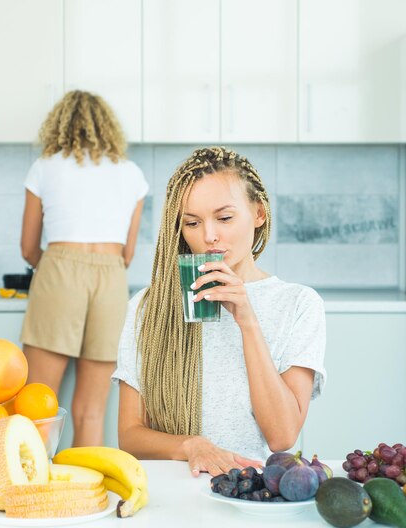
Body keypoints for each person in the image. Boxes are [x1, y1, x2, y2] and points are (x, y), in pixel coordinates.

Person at [113, 146, 326, 476]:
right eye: (192, 223)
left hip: (249, 488)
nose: (209, 236)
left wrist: (246, 319)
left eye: (225, 218)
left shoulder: (298, 304)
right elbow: (129, 435)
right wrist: (191, 445)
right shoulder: (148, 308)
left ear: (259, 213)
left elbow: (282, 435)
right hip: (169, 490)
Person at [20, 90, 149, 446]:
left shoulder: (45, 166)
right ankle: (83, 496)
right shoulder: (132, 173)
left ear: (58, 125)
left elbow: (28, 247)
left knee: (38, 404)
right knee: (91, 411)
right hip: (111, 278)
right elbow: (128, 252)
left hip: (59, 272)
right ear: (108, 127)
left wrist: (51, 271)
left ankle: (33, 489)